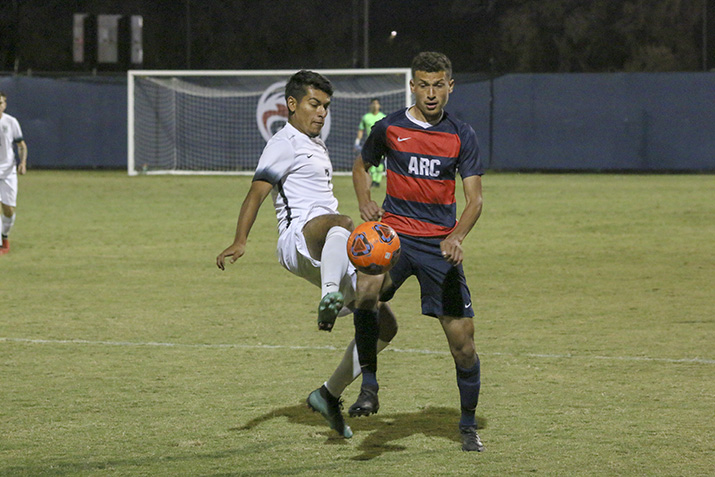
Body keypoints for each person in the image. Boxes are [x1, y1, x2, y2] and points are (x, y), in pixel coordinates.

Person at [216, 70, 397, 439]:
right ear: (293, 104)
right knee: (341, 222)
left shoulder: (315, 144)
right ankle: (330, 295)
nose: (321, 113)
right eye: (314, 104)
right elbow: (256, 192)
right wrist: (240, 240)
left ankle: (327, 394)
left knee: (383, 323)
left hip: (330, 244)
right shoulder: (284, 141)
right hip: (298, 237)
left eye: (326, 106)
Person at [350, 52, 486, 452]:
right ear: (413, 86)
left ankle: (465, 425)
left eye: (438, 85)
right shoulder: (389, 126)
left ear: (450, 87)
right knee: (366, 290)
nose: (431, 93)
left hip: (438, 247)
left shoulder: (462, 135)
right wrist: (364, 201)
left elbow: (475, 200)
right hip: (395, 237)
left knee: (463, 344)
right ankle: (369, 387)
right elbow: (361, 167)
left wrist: (456, 236)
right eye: (423, 85)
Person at [0, 92, 28, 255]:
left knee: (8, 209)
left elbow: (21, 145)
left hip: (8, 171)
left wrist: (22, 163)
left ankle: (5, 236)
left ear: (5, 104)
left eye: (1, 103)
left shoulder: (11, 122)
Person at [353, 98, 386, 188]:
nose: (375, 106)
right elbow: (361, 130)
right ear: (370, 105)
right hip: (371, 143)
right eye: (373, 104)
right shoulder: (366, 117)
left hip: (382, 143)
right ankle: (373, 180)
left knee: (380, 164)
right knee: (371, 163)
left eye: (377, 104)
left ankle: (377, 181)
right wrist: (357, 142)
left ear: (380, 106)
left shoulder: (383, 117)